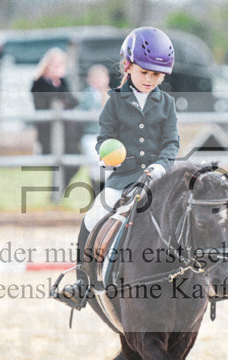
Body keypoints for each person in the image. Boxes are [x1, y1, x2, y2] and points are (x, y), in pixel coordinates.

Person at [54, 27, 179, 309]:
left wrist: (161, 166)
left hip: (159, 180)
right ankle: (82, 282)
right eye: (144, 72)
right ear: (128, 66)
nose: (150, 80)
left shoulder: (167, 104)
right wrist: (107, 154)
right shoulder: (113, 101)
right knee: (92, 217)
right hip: (123, 179)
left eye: (156, 75)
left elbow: (172, 143)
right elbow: (103, 140)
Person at [31, 47, 81, 189]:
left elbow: (73, 100)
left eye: (61, 64)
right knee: (59, 163)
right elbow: (46, 103)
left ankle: (57, 191)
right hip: (48, 131)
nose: (59, 68)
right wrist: (61, 99)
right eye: (55, 64)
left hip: (67, 132)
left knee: (74, 162)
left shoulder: (62, 82)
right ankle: (56, 194)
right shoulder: (39, 83)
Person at [79, 64, 111, 196]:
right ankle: (95, 193)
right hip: (91, 135)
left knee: (109, 168)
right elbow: (79, 113)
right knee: (95, 166)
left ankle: (107, 195)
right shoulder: (85, 95)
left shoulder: (111, 95)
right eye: (95, 78)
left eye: (101, 77)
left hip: (108, 137)